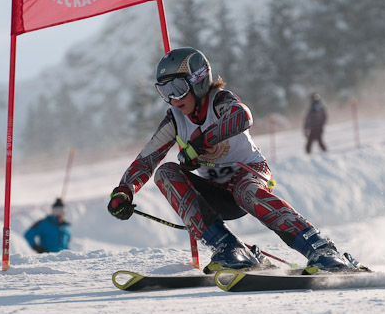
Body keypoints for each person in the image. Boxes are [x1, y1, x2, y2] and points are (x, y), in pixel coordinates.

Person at [107, 47, 358, 274]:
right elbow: (146, 160)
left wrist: (200, 145)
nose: (173, 99)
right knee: (165, 173)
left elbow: (242, 116)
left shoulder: (219, 101)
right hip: (217, 193)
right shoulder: (175, 119)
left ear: (198, 81)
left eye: (177, 89)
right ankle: (228, 247)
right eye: (165, 92)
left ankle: (322, 249)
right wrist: (125, 190)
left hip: (250, 175)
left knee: (244, 191)